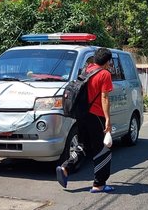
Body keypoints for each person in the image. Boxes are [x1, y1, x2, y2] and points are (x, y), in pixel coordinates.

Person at [56, 47, 115, 193]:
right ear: (107, 62)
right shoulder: (104, 74)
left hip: (81, 114)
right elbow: (104, 97)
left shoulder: (86, 69)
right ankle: (99, 184)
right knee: (103, 149)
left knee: (83, 146)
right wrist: (108, 119)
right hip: (96, 115)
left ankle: (65, 167)